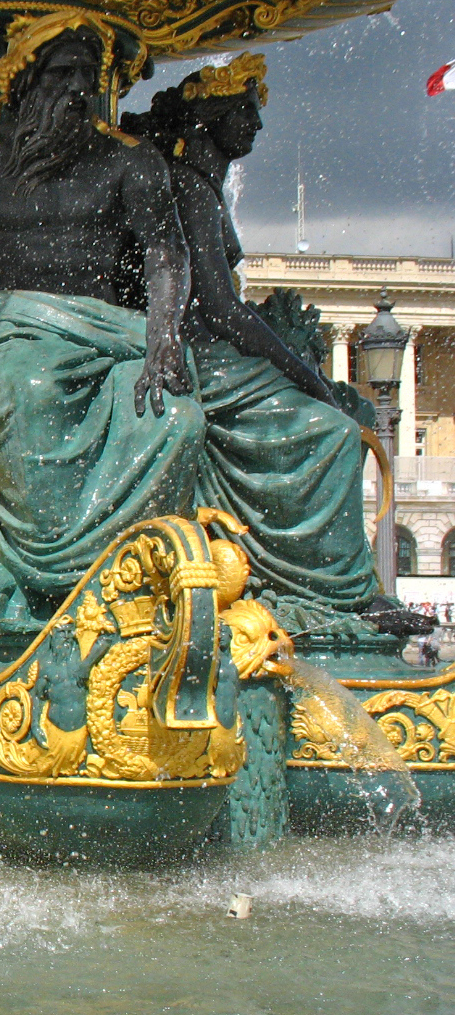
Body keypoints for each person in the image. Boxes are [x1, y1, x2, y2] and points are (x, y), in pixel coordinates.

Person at [0, 12, 378, 626]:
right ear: (24, 81)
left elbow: (164, 252)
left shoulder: (130, 162)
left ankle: (133, 589)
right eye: (64, 74)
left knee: (171, 415)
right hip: (5, 332)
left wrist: (164, 336)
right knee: (33, 390)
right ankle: (46, 583)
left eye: (88, 78)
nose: (78, 91)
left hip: (108, 336)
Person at [119, 54, 378, 618]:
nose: (257, 126)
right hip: (200, 359)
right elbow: (220, 307)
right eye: (245, 110)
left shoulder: (198, 187)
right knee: (331, 431)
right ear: (208, 117)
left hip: (210, 354)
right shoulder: (189, 188)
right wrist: (306, 374)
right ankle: (334, 594)